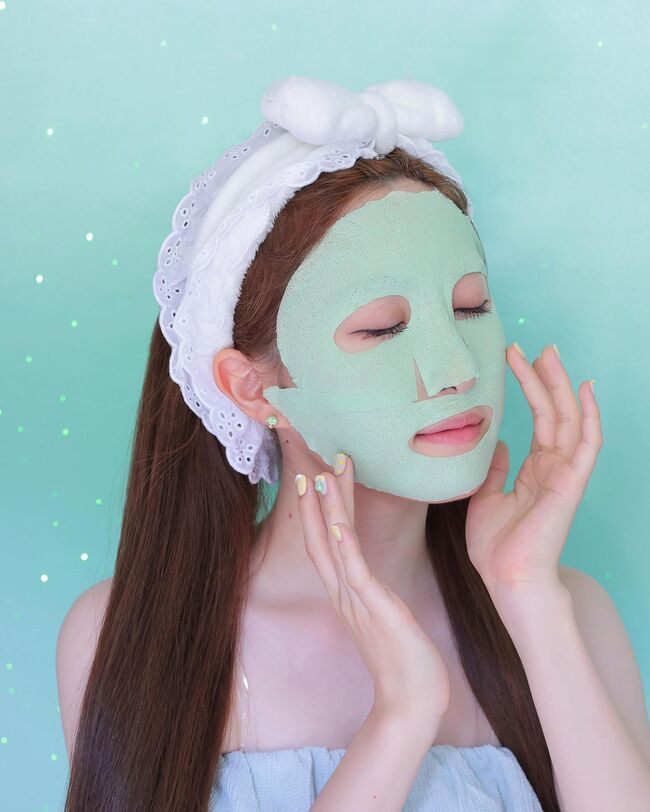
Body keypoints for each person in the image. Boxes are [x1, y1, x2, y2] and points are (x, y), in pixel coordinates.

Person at [56, 76, 650, 812]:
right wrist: (402, 713)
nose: (456, 371)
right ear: (251, 387)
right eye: (381, 328)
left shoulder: (567, 610)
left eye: (470, 308)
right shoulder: (132, 637)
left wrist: (528, 595)